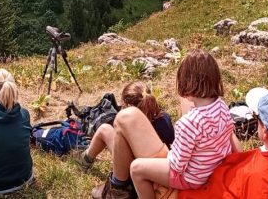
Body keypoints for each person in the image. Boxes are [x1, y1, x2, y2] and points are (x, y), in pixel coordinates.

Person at [93, 50, 233, 199]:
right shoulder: (222, 107)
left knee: (136, 168)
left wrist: (167, 154)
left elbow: (177, 165)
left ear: (186, 83)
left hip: (191, 179)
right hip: (210, 169)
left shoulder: (187, 123)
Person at [78, 81, 175, 169]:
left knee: (104, 129)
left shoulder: (132, 126)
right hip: (163, 168)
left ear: (128, 106)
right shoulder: (164, 118)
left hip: (135, 171)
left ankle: (85, 160)